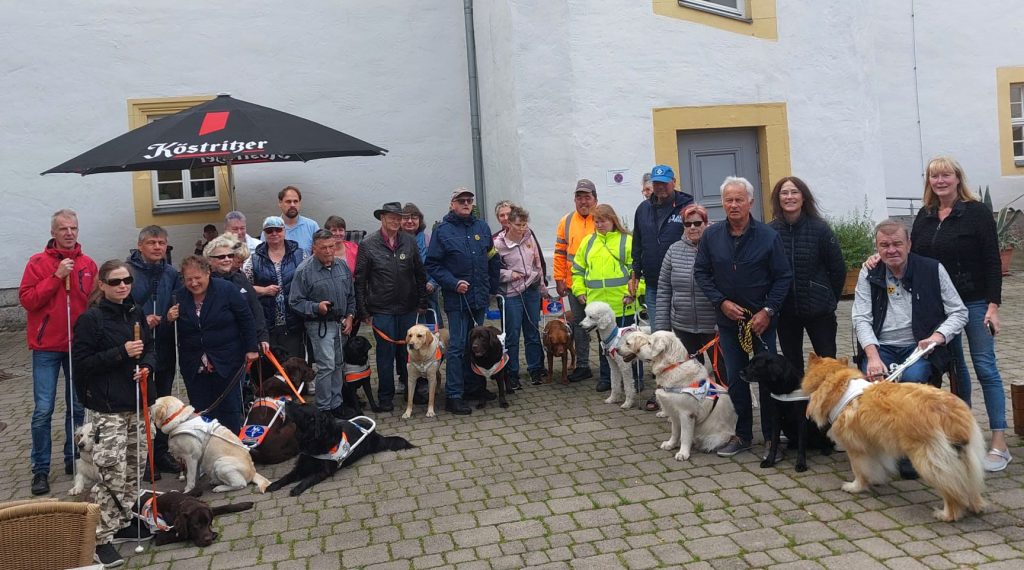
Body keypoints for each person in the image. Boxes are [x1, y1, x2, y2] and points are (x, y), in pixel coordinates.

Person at [910, 156, 1010, 471]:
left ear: (957, 178)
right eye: (934, 176)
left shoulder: (976, 212)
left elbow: (993, 262)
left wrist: (993, 306)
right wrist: (877, 259)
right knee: (957, 370)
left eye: (946, 175)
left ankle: (999, 441)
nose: (940, 181)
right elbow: (912, 257)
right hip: (941, 307)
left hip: (975, 300)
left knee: (985, 367)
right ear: (929, 182)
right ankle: (963, 435)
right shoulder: (925, 216)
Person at [694, 177, 792, 458]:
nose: (733, 205)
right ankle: (743, 435)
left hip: (762, 323)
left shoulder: (768, 236)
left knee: (768, 379)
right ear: (722, 203)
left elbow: (783, 276)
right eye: (728, 200)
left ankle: (773, 438)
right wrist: (721, 302)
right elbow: (701, 273)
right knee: (737, 379)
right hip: (729, 323)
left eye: (739, 199)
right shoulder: (711, 237)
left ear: (750, 202)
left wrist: (768, 310)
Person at [71, 260, 157, 567]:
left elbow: (148, 348)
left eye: (127, 280)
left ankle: (121, 521)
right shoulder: (90, 320)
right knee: (112, 472)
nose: (123, 285)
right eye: (115, 281)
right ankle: (99, 538)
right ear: (102, 285)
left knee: (135, 466)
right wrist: (122, 352)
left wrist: (146, 365)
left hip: (136, 404)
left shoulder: (134, 312)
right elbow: (81, 364)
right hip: (108, 409)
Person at [19, 208, 94, 496]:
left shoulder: (87, 264)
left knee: (76, 407)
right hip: (46, 347)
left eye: (73, 228)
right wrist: (56, 276)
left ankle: (72, 459)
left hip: (77, 346)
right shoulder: (37, 263)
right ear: (53, 232)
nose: (69, 233)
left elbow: (93, 302)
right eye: (63, 228)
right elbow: (28, 300)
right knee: (43, 410)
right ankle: (40, 468)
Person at [853, 219, 968, 383]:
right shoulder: (869, 272)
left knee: (911, 381)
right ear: (877, 248)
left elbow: (959, 312)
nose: (891, 250)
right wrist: (872, 357)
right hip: (881, 347)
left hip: (919, 348)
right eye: (884, 245)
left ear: (909, 244)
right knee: (876, 384)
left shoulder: (933, 269)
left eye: (897, 244)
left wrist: (937, 337)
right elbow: (861, 318)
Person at [425, 188, 501, 415]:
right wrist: (453, 282)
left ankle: (474, 388)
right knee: (458, 347)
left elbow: (492, 258)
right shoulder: (442, 231)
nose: (466, 204)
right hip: (457, 299)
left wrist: (492, 289)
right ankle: (454, 395)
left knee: (477, 345)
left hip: (479, 298)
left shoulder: (482, 227)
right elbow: (433, 265)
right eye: (461, 201)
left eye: (469, 200)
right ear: (452, 204)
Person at [172, 255, 259, 433]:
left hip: (227, 360)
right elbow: (173, 330)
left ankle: (232, 448)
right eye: (189, 279)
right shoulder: (179, 296)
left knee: (230, 409)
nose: (194, 283)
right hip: (194, 364)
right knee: (201, 410)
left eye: (198, 278)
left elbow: (246, 318)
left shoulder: (225, 289)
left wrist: (252, 348)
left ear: (208, 274)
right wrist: (168, 318)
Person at [768, 177, 846, 373]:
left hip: (819, 312)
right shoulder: (770, 232)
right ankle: (799, 404)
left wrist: (829, 298)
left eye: (794, 192)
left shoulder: (820, 229)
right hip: (786, 311)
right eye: (784, 193)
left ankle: (830, 402)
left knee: (827, 363)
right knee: (792, 365)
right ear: (778, 199)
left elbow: (838, 268)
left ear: (803, 197)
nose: (789, 197)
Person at [356, 202, 428, 412]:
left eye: (399, 218)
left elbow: (419, 273)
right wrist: (364, 312)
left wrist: (422, 301)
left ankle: (410, 392)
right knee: (385, 355)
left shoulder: (409, 241)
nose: (396, 221)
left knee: (409, 353)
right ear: (382, 219)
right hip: (382, 309)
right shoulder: (368, 244)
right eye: (392, 218)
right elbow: (360, 280)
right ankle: (385, 397)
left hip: (408, 307)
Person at [653, 203, 721, 411]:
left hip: (713, 326)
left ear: (706, 223)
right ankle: (698, 411)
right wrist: (662, 329)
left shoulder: (717, 247)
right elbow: (664, 290)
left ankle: (731, 407)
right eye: (687, 224)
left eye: (697, 223)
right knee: (690, 374)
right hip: (683, 325)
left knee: (722, 372)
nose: (692, 227)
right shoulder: (673, 251)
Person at [126, 225, 182, 475]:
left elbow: (177, 299)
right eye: (152, 242)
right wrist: (140, 320)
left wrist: (172, 314)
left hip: (166, 344)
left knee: (162, 402)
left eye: (161, 242)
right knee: (144, 403)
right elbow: (122, 307)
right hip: (140, 346)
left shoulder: (171, 272)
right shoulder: (127, 272)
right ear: (140, 246)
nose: (157, 247)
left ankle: (161, 452)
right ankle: (144, 456)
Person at [571, 204, 644, 392]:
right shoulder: (588, 242)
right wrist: (579, 291)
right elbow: (578, 270)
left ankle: (636, 378)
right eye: (596, 221)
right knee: (605, 345)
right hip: (598, 307)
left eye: (603, 220)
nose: (599, 224)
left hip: (622, 303)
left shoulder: (626, 240)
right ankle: (607, 378)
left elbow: (639, 271)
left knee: (630, 344)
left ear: (612, 220)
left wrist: (634, 291)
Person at [290, 230, 356, 417]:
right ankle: (324, 408)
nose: (328, 251)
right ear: (314, 248)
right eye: (323, 248)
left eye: (331, 246)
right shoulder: (304, 271)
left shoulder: (342, 266)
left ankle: (337, 404)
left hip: (340, 323)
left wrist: (350, 316)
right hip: (319, 325)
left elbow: (351, 295)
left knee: (338, 364)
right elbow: (295, 302)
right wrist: (315, 307)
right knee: (326, 365)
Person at [629, 164, 693, 329]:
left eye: (664, 183)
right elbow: (637, 243)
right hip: (653, 284)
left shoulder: (687, 208)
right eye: (656, 183)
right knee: (659, 336)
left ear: (674, 182)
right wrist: (634, 273)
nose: (660, 187)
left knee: (683, 336)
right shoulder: (643, 209)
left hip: (681, 285)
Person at [495, 206, 547, 388]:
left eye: (525, 224)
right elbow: (492, 271)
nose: (522, 228)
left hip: (531, 289)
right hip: (511, 293)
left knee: (532, 330)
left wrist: (541, 286)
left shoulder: (529, 237)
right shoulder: (497, 244)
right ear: (508, 224)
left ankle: (535, 369)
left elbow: (537, 262)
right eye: (518, 225)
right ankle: (512, 373)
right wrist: (509, 275)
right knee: (512, 334)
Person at [243, 216, 308, 360]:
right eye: (269, 230)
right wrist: (263, 290)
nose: (274, 233)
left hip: (294, 321)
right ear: (264, 234)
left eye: (278, 229)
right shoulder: (253, 259)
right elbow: (242, 289)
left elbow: (309, 283)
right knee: (271, 368)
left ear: (284, 231)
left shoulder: (299, 254)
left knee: (295, 366)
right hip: (268, 323)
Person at [553, 180, 598, 383]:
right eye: (579, 197)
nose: (583, 201)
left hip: (600, 285)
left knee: (603, 326)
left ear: (595, 199)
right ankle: (582, 365)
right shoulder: (566, 221)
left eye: (587, 197)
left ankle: (607, 367)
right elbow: (560, 253)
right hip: (573, 284)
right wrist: (559, 278)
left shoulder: (603, 217)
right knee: (580, 326)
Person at [205, 234, 270, 353]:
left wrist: (262, 336)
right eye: (221, 257)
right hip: (216, 346)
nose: (227, 259)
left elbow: (255, 308)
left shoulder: (240, 278)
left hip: (243, 343)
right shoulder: (204, 283)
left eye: (230, 256)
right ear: (209, 260)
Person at [403, 202, 443, 329]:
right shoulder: (396, 242)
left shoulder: (429, 240)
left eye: (414, 217)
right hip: (404, 297)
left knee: (431, 333)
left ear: (420, 220)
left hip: (428, 294)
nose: (410, 221)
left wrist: (432, 282)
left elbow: (439, 263)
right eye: (406, 217)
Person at [276, 186, 320, 253]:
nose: (292, 205)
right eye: (288, 201)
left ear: (299, 203)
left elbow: (320, 253)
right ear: (280, 203)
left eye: (295, 201)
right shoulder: (271, 229)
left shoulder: (312, 226)